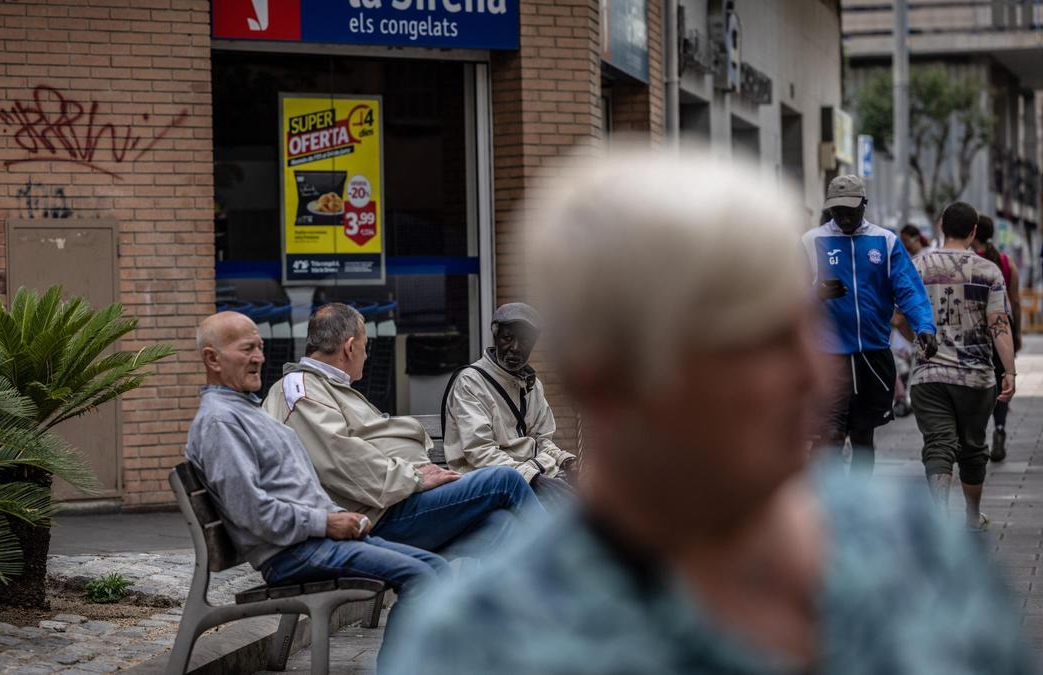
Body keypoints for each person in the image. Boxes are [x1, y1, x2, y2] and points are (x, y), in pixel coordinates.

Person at [383, 147, 1031, 674]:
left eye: (800, 327)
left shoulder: (918, 547)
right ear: (607, 380)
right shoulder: (480, 641)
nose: (811, 372)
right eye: (754, 342)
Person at [183, 312, 449, 666]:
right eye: (247, 349)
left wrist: (338, 519)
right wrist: (326, 522)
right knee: (421, 577)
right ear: (212, 359)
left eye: (260, 347)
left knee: (438, 570)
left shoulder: (246, 411)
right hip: (293, 552)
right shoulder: (221, 422)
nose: (259, 357)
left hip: (313, 543)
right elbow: (252, 512)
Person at [262, 303, 544, 559]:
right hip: (378, 515)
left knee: (500, 525)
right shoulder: (301, 391)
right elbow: (342, 460)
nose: (366, 355)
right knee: (506, 480)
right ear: (350, 347)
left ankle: (471, 610)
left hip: (394, 503)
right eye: (365, 346)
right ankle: (572, 572)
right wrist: (415, 477)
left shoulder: (325, 386)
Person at [803, 175, 937, 479]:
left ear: (865, 204)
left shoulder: (885, 241)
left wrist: (924, 326)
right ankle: (829, 506)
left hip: (873, 355)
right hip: (828, 356)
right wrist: (816, 293)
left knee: (864, 437)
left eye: (850, 209)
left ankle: (858, 506)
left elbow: (909, 289)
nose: (844, 216)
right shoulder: (811, 242)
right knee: (832, 435)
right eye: (837, 210)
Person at [911, 203, 1017, 531]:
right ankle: (972, 516)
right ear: (974, 232)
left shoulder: (917, 267)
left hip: (928, 376)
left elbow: (899, 316)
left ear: (942, 226)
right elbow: (999, 324)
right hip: (976, 377)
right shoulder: (988, 272)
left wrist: (918, 339)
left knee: (938, 444)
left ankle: (941, 516)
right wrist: (1009, 371)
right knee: (973, 447)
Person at [441, 302, 577, 508]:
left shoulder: (533, 385)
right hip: (484, 484)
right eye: (507, 338)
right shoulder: (470, 381)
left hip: (528, 475)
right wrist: (533, 478)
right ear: (495, 337)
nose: (515, 347)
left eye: (525, 340)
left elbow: (543, 440)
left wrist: (565, 460)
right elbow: (479, 452)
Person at [974, 214, 1022, 462]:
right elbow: (1014, 300)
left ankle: (977, 435)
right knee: (1002, 380)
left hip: (975, 329)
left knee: (980, 381)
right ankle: (1000, 429)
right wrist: (1017, 333)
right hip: (1002, 328)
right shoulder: (1004, 261)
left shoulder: (970, 261)